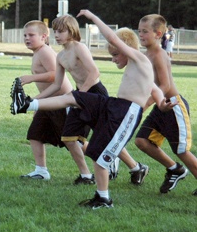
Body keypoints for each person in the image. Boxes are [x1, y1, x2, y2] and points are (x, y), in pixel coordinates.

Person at [11, 10, 175, 208]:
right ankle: (28, 105)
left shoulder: (138, 59)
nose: (112, 59)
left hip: (121, 107)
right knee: (73, 102)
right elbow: (154, 88)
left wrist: (92, 17)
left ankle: (108, 192)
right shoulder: (133, 65)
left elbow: (113, 41)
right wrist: (160, 103)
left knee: (101, 152)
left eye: (115, 54)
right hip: (113, 104)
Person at [31, 14, 143, 185]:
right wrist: (33, 100)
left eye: (61, 31)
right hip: (80, 95)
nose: (57, 35)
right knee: (68, 137)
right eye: (55, 31)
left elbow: (94, 73)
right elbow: (56, 85)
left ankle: (136, 167)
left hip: (95, 93)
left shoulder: (79, 48)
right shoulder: (60, 57)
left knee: (106, 136)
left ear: (72, 31)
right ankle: (86, 175)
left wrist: (79, 96)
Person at [135, 15, 197, 196]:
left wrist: (145, 104)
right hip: (161, 106)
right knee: (142, 141)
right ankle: (175, 169)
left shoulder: (160, 55)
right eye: (139, 31)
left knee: (181, 150)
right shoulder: (146, 54)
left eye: (145, 31)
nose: (141, 35)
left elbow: (165, 86)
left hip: (173, 106)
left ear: (158, 34)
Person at [18, 20, 73, 180]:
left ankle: (106, 160)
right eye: (25, 35)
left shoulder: (45, 51)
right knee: (35, 134)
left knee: (73, 142)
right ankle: (41, 170)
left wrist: (31, 78)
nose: (27, 38)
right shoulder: (38, 52)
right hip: (47, 103)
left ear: (44, 36)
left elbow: (55, 75)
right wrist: (38, 104)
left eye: (31, 35)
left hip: (61, 102)